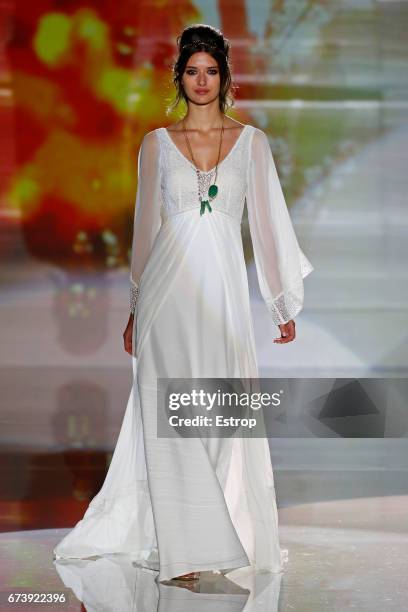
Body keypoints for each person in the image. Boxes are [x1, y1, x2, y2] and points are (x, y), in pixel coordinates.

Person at [53, 23, 313, 584]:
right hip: (166, 299)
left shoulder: (252, 144)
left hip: (221, 300)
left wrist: (280, 302)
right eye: (192, 71)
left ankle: (209, 532)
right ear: (180, 77)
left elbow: (268, 227)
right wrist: (134, 305)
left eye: (211, 71)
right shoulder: (155, 144)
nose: (201, 81)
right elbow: (145, 231)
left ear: (225, 77)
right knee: (168, 414)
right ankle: (182, 552)